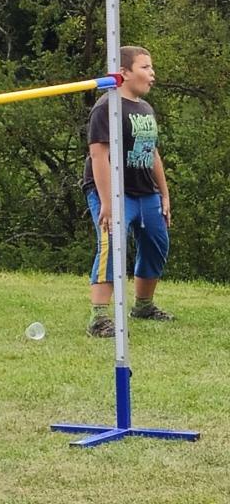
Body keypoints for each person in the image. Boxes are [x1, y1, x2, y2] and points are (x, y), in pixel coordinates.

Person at [82, 46, 173, 338]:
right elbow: (99, 156)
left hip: (146, 192)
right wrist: (108, 202)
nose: (152, 73)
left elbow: (152, 152)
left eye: (151, 67)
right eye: (145, 67)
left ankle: (143, 306)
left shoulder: (145, 109)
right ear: (124, 73)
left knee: (157, 243)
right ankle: (99, 318)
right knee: (111, 245)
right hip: (114, 193)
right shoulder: (106, 108)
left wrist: (164, 194)